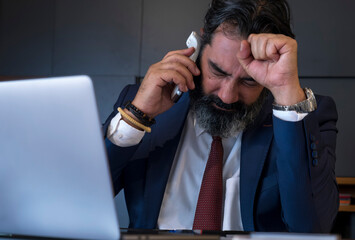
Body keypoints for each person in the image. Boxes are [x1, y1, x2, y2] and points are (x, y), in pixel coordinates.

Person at [103, 0, 338, 233]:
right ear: (198, 47)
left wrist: (288, 97)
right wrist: (137, 116)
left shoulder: (304, 120)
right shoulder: (141, 104)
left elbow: (312, 228)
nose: (227, 96)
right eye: (217, 71)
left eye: (249, 81)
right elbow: (80, 195)